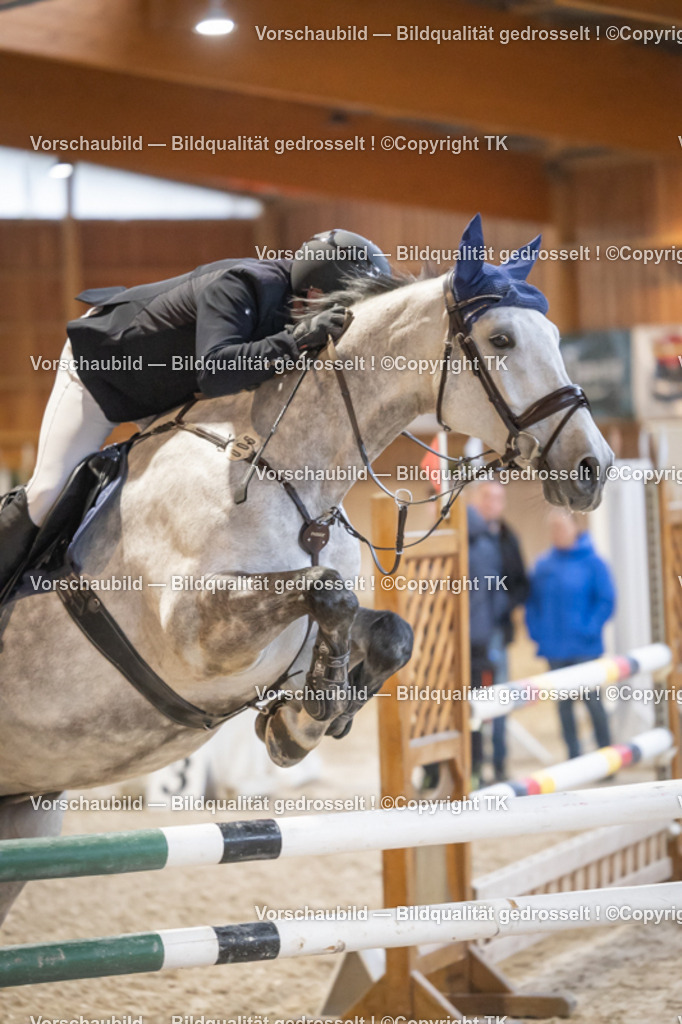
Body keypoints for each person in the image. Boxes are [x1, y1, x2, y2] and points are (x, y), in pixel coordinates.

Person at [0, 229, 390, 590]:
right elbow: (217, 371)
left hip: (172, 393)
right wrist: (296, 340)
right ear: (313, 294)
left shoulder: (300, 311)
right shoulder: (241, 285)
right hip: (103, 373)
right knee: (49, 492)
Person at [525, 509, 616, 759]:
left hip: (585, 648)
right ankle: (573, 756)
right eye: (553, 528)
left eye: (562, 527)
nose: (558, 533)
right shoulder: (543, 565)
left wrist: (589, 628)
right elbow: (532, 603)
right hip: (555, 649)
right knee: (563, 707)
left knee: (593, 703)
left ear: (575, 527)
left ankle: (606, 753)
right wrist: (537, 633)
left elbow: (606, 600)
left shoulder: (594, 562)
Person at [468, 480, 528, 783]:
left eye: (498, 499)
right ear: (476, 499)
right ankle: (475, 768)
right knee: (474, 704)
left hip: (497, 632)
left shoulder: (507, 538)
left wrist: (503, 605)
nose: (493, 504)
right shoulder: (464, 538)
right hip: (469, 636)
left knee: (501, 699)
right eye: (488, 497)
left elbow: (520, 581)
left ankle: (500, 764)